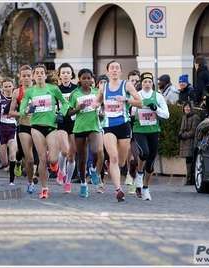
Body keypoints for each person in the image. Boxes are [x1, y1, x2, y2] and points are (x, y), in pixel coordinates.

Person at [93, 60, 143, 202]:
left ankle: (122, 167)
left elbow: (140, 102)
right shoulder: (103, 87)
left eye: (117, 68)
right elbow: (97, 101)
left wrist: (125, 99)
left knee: (120, 162)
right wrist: (95, 104)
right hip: (108, 126)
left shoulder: (126, 85)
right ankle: (118, 189)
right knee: (113, 157)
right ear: (108, 71)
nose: (114, 70)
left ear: (120, 71)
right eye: (112, 68)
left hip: (124, 125)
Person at [19, 64, 69, 199]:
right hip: (36, 126)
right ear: (34, 76)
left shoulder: (53, 89)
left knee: (52, 159)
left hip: (51, 126)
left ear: (45, 76)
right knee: (41, 158)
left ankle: (54, 162)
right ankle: (44, 189)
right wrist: (27, 110)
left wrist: (61, 114)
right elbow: (22, 109)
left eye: (42, 73)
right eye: (37, 73)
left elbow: (65, 103)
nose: (40, 75)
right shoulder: (30, 91)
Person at [131, 72, 170, 200]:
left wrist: (156, 109)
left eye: (149, 82)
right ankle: (139, 174)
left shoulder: (158, 97)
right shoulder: (137, 96)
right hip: (139, 130)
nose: (147, 84)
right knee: (144, 153)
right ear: (140, 84)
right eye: (144, 82)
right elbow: (129, 112)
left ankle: (146, 189)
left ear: (152, 83)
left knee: (151, 164)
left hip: (153, 131)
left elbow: (166, 115)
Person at [67, 68, 103, 197]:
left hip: (93, 125)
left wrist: (101, 114)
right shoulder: (74, 93)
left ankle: (93, 169)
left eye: (88, 78)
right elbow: (69, 112)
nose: (86, 81)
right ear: (80, 79)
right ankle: (83, 184)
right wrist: (77, 108)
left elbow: (101, 106)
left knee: (95, 151)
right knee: (82, 159)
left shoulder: (96, 92)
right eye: (84, 78)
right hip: (79, 127)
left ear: (92, 79)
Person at [9, 65, 39, 194]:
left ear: (32, 76)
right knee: (23, 153)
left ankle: (32, 178)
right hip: (23, 126)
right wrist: (23, 113)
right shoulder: (17, 92)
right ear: (20, 77)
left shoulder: (39, 89)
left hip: (37, 125)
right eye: (24, 76)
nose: (26, 78)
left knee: (36, 152)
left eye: (28, 75)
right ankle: (17, 162)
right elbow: (11, 112)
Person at [55, 63, 77, 187]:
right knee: (64, 150)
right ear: (59, 75)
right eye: (63, 73)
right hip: (61, 122)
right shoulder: (55, 89)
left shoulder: (76, 89)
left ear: (71, 75)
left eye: (68, 73)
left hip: (74, 122)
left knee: (72, 155)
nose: (65, 75)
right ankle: (60, 172)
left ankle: (68, 182)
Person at [178, 101, 200, 186]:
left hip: (191, 141)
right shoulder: (184, 116)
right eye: (185, 107)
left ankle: (191, 179)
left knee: (191, 160)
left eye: (188, 107)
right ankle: (189, 178)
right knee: (188, 160)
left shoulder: (195, 117)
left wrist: (183, 135)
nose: (186, 108)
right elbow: (182, 128)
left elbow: (194, 131)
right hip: (185, 141)